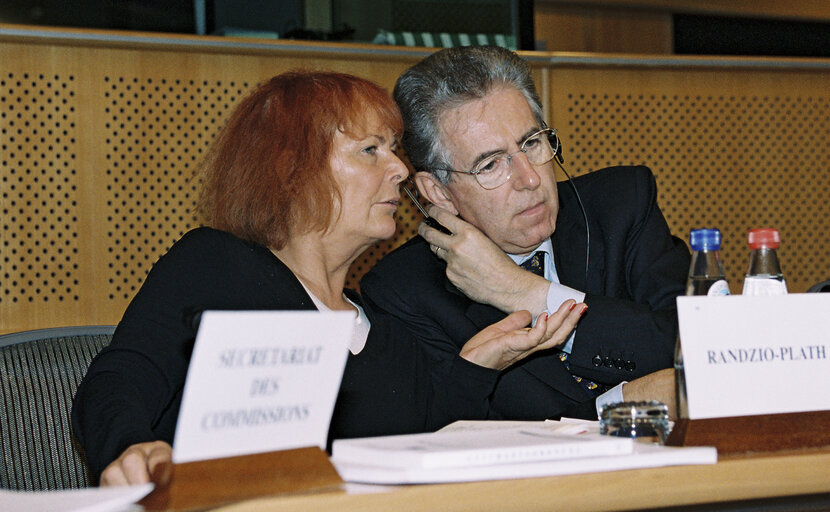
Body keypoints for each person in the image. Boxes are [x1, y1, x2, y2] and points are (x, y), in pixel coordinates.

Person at [71, 70, 588, 486]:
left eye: (395, 149)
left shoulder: (383, 324)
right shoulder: (218, 265)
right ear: (294, 171)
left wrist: (477, 362)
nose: (400, 170)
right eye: (371, 150)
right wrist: (129, 446)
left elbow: (413, 441)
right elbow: (120, 380)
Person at [360, 46, 688, 421]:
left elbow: (698, 347)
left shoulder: (621, 205)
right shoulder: (405, 291)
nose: (530, 178)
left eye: (532, 143)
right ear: (437, 191)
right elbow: (461, 433)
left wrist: (524, 291)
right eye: (491, 164)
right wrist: (612, 410)